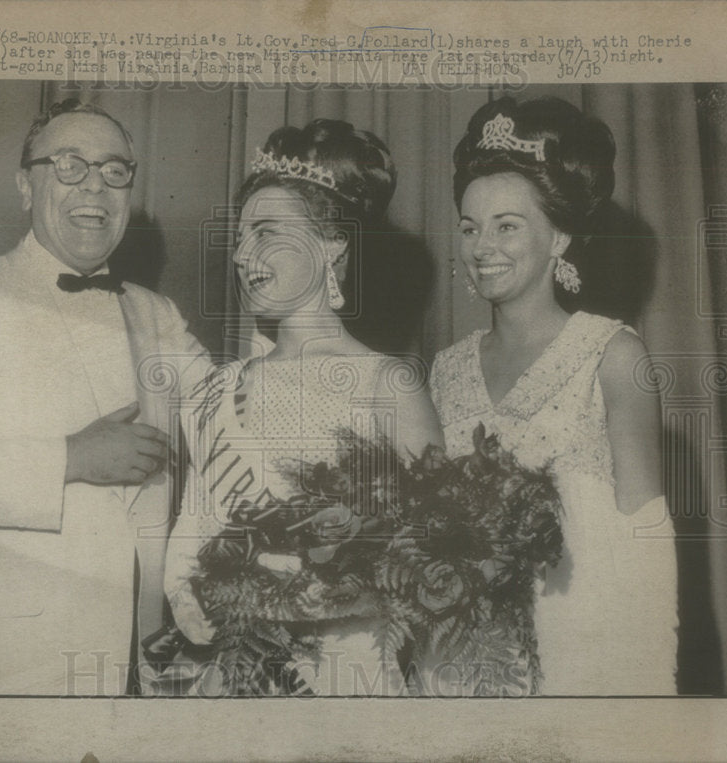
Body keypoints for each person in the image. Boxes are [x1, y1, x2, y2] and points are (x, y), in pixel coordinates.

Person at [0, 99, 209, 695]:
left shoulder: (158, 316)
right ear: (26, 187)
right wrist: (71, 458)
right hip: (8, 673)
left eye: (114, 170)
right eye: (70, 165)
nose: (95, 188)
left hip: (145, 675)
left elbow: (231, 418)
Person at [162, 119, 444, 696]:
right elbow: (191, 537)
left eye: (266, 233)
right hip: (232, 674)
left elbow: (438, 560)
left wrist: (313, 595)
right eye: (241, 237)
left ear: (331, 242)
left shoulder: (387, 384)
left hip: (348, 674)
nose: (243, 255)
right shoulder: (218, 388)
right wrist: (199, 603)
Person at [426, 96, 678, 695]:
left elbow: (649, 548)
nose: (482, 246)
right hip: (463, 666)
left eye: (507, 225)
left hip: (582, 664)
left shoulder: (614, 355)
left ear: (560, 236)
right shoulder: (444, 370)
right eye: (470, 227)